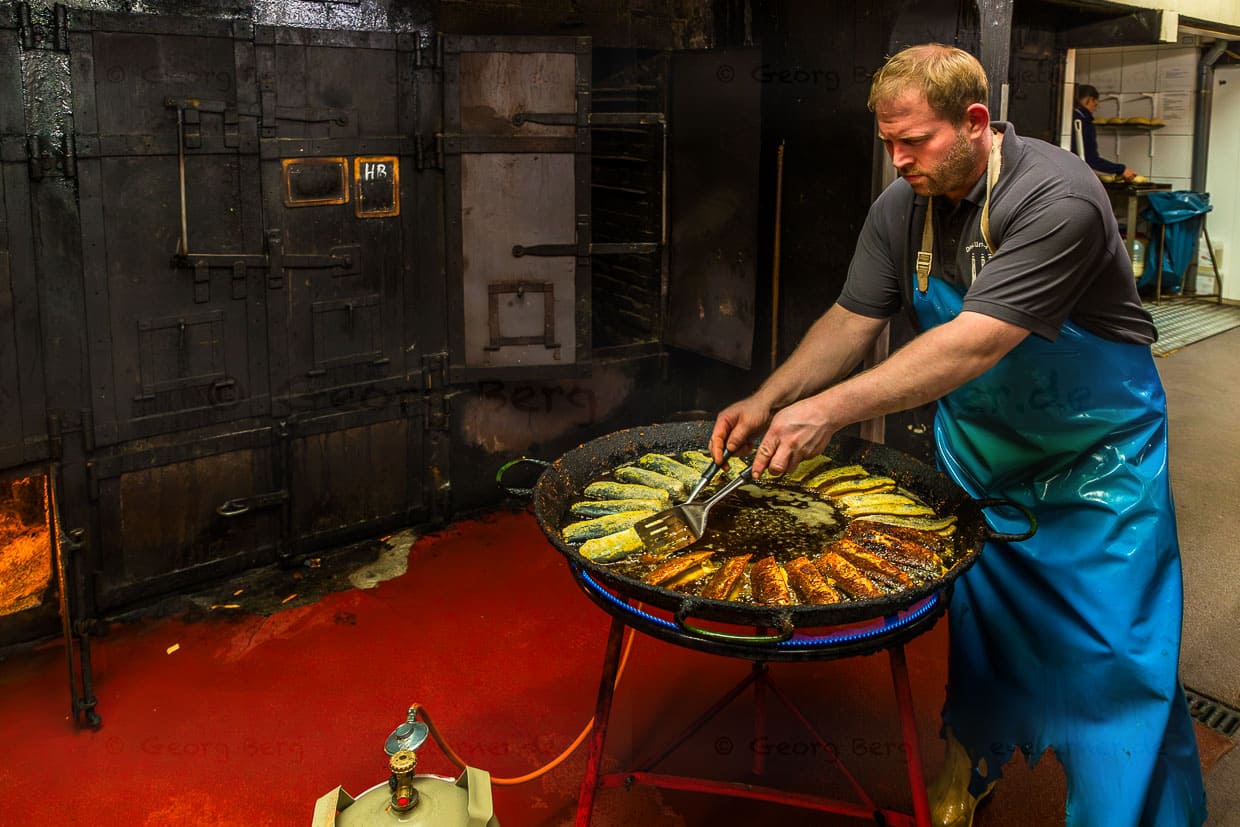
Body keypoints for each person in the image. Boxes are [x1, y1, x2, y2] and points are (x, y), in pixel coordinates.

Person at [710, 44, 1206, 827]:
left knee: (1116, 656)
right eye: (888, 143)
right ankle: (967, 769)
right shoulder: (901, 205)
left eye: (916, 141)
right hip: (984, 456)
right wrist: (770, 398)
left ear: (976, 122)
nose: (899, 159)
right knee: (987, 639)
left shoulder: (1058, 198)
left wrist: (827, 411)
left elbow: (974, 341)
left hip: (1095, 468)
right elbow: (851, 319)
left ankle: (1128, 810)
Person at [1071, 83, 1137, 182]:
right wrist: (1121, 169)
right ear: (1090, 99)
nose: (1094, 109)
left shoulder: (1066, 117)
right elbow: (1091, 159)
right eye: (1095, 105)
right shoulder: (1083, 122)